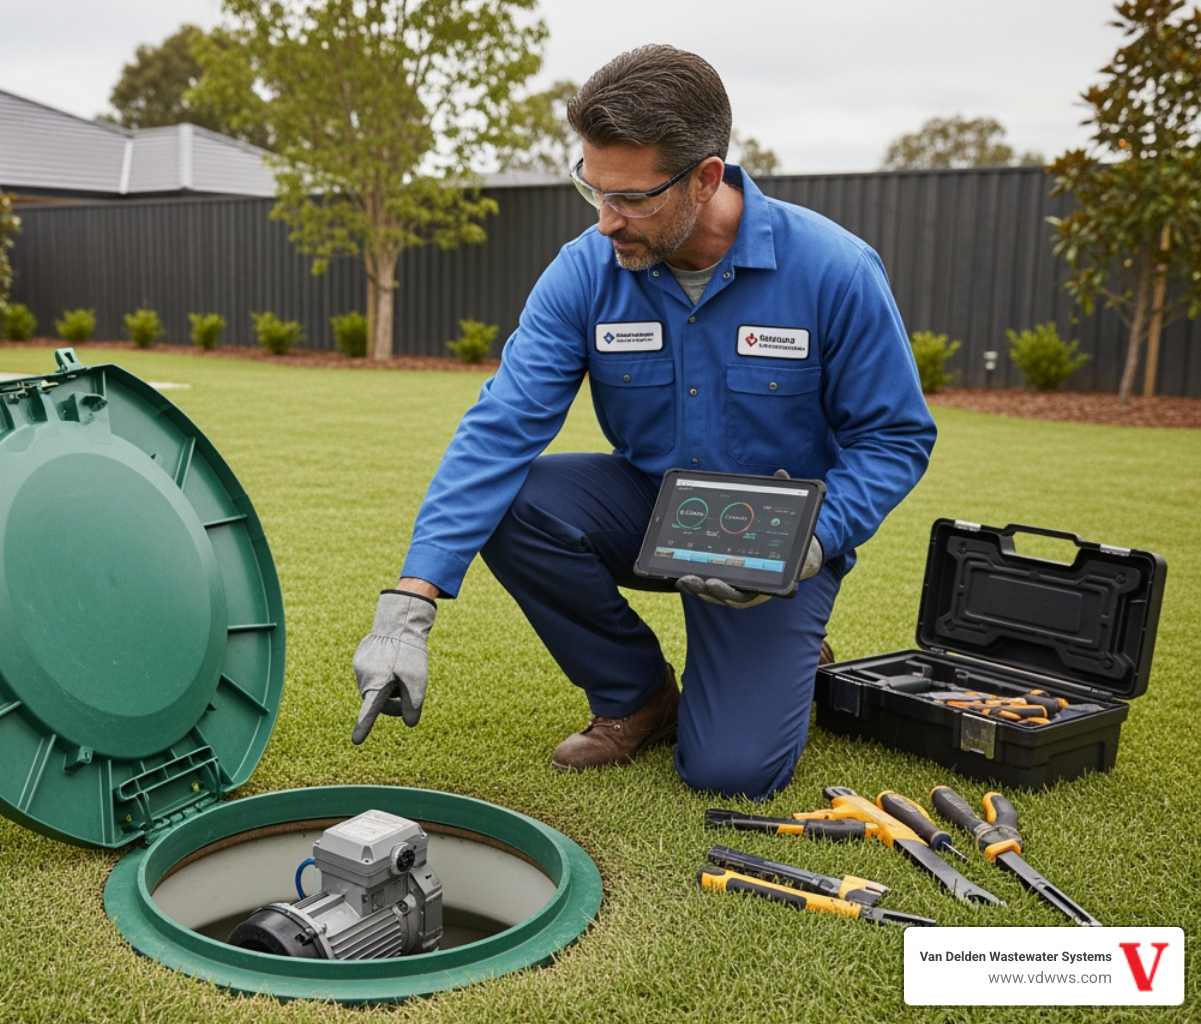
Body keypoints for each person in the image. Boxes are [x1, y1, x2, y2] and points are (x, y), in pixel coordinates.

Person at [350, 45, 936, 799]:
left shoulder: (834, 271)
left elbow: (895, 437)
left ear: (705, 177)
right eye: (593, 189)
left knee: (730, 773)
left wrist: (811, 542)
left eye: (631, 198)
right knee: (515, 502)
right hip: (648, 504)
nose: (605, 221)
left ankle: (788, 646)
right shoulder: (583, 272)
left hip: (773, 534)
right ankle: (638, 697)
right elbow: (501, 426)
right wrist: (411, 601)